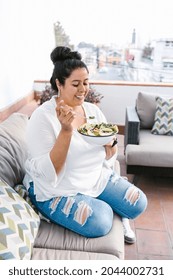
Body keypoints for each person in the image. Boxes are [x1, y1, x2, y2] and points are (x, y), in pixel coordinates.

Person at [23, 46, 147, 240]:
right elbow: (48, 173)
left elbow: (109, 155)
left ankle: (97, 201)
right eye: (76, 84)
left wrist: (111, 146)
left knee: (138, 203)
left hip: (95, 178)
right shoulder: (42, 117)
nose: (83, 90)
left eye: (86, 82)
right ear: (59, 84)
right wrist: (66, 131)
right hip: (57, 188)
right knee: (101, 220)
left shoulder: (92, 111)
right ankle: (100, 208)